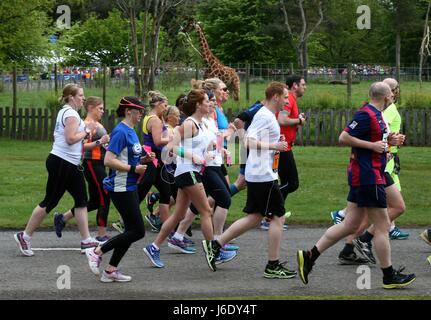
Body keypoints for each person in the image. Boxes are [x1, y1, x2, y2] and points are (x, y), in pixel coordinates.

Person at [297, 82, 416, 289]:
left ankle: (309, 256)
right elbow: (343, 137)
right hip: (368, 175)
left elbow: (377, 140)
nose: (393, 97)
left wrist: (391, 141)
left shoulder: (378, 114)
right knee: (382, 226)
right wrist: (372, 146)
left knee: (351, 224)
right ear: (386, 96)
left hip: (376, 171)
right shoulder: (366, 114)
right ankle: (388, 276)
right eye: (391, 94)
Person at [205, 82, 297, 279]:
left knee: (255, 216)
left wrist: (274, 145)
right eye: (285, 97)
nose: (288, 101)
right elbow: (248, 141)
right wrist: (275, 145)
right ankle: (272, 265)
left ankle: (215, 245)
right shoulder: (264, 115)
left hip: (260, 174)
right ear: (275, 96)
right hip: (263, 175)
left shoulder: (266, 115)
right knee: (278, 217)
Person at [14, 84, 98, 256]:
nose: (83, 98)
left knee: (82, 200)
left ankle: (86, 240)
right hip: (62, 162)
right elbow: (70, 139)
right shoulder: (71, 114)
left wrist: (92, 139)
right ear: (71, 97)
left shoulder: (66, 112)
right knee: (50, 201)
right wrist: (87, 131)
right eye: (81, 95)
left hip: (69, 163)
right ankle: (25, 236)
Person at [143, 89, 221, 271]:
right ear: (198, 105)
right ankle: (213, 249)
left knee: (178, 214)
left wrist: (210, 154)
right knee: (206, 211)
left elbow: (197, 147)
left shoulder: (200, 124)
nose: (209, 103)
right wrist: (191, 156)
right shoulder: (189, 124)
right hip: (187, 172)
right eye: (206, 101)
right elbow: (170, 147)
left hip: (188, 172)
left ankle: (153, 247)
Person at [84, 96, 148, 282]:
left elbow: (128, 157)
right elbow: (108, 160)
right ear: (129, 111)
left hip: (129, 185)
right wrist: (133, 169)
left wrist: (143, 160)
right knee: (137, 231)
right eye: (139, 112)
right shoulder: (120, 132)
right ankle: (96, 251)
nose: (141, 115)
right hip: (120, 186)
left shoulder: (131, 131)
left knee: (130, 230)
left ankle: (110, 271)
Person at [53, 96, 111, 243]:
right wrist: (100, 142)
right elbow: (82, 146)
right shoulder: (86, 124)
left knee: (95, 201)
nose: (103, 111)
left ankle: (62, 218)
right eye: (100, 108)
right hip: (91, 163)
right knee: (105, 195)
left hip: (100, 163)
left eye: (103, 108)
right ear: (90, 107)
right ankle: (101, 234)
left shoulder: (96, 124)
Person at [137, 91, 172, 231]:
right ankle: (124, 218)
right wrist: (173, 140)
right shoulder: (155, 120)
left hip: (154, 157)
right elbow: (158, 141)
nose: (166, 108)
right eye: (164, 105)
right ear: (157, 104)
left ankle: (166, 227)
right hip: (153, 157)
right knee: (143, 188)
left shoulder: (150, 117)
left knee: (166, 192)